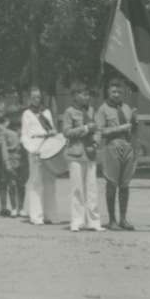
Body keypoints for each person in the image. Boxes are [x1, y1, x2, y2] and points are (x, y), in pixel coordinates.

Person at [96, 78, 139, 230]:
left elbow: (133, 130)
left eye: (119, 92)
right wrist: (120, 128)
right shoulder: (103, 109)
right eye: (113, 91)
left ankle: (123, 219)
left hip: (127, 147)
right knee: (112, 184)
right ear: (108, 92)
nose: (116, 94)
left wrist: (134, 121)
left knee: (125, 184)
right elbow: (100, 131)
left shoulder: (126, 108)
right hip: (112, 147)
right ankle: (112, 220)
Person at [61, 82, 103, 232]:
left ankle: (94, 221)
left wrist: (96, 144)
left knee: (92, 189)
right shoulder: (69, 112)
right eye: (83, 94)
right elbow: (66, 132)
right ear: (75, 96)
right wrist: (85, 128)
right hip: (75, 154)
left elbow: (98, 129)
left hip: (90, 153)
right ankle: (77, 221)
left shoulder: (92, 110)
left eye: (88, 94)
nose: (86, 97)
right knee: (77, 189)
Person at [21, 86, 60, 225]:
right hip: (35, 148)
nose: (36, 99)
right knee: (36, 182)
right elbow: (25, 135)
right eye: (33, 97)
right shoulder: (27, 113)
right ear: (29, 98)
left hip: (48, 148)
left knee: (50, 181)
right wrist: (32, 149)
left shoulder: (46, 112)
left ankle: (50, 215)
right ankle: (36, 216)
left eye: (38, 97)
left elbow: (52, 128)